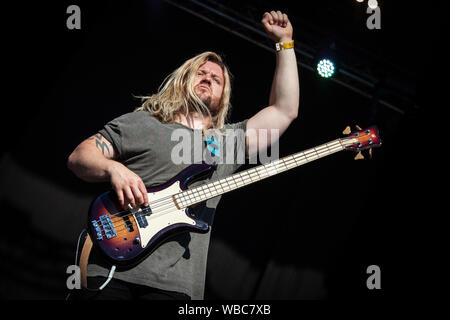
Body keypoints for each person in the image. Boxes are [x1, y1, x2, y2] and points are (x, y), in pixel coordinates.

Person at [67, 10, 299, 300]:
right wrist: (114, 169)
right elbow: (80, 157)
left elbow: (285, 110)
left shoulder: (226, 142)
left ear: (223, 95)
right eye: (200, 73)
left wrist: (284, 43)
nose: (208, 78)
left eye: (216, 78)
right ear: (183, 80)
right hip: (109, 270)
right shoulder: (142, 123)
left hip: (175, 287)